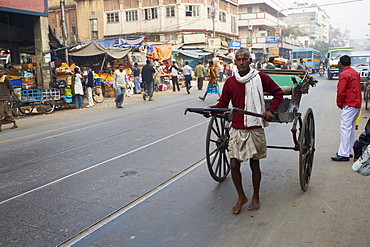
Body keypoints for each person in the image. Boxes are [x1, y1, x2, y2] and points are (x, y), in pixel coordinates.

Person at [206, 49, 283, 214]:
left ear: (250, 61)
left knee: (255, 164)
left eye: (244, 59)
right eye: (238, 60)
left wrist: (270, 110)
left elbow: (278, 93)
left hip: (255, 126)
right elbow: (223, 104)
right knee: (234, 164)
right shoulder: (230, 82)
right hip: (237, 128)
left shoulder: (261, 78)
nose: (241, 63)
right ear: (235, 62)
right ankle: (241, 197)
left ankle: (255, 196)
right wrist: (211, 110)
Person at [331, 55, 362, 161]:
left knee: (345, 128)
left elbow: (341, 91)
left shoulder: (344, 74)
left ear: (340, 63)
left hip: (349, 103)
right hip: (356, 103)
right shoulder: (354, 73)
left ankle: (343, 154)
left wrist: (339, 103)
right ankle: (348, 151)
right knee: (351, 128)